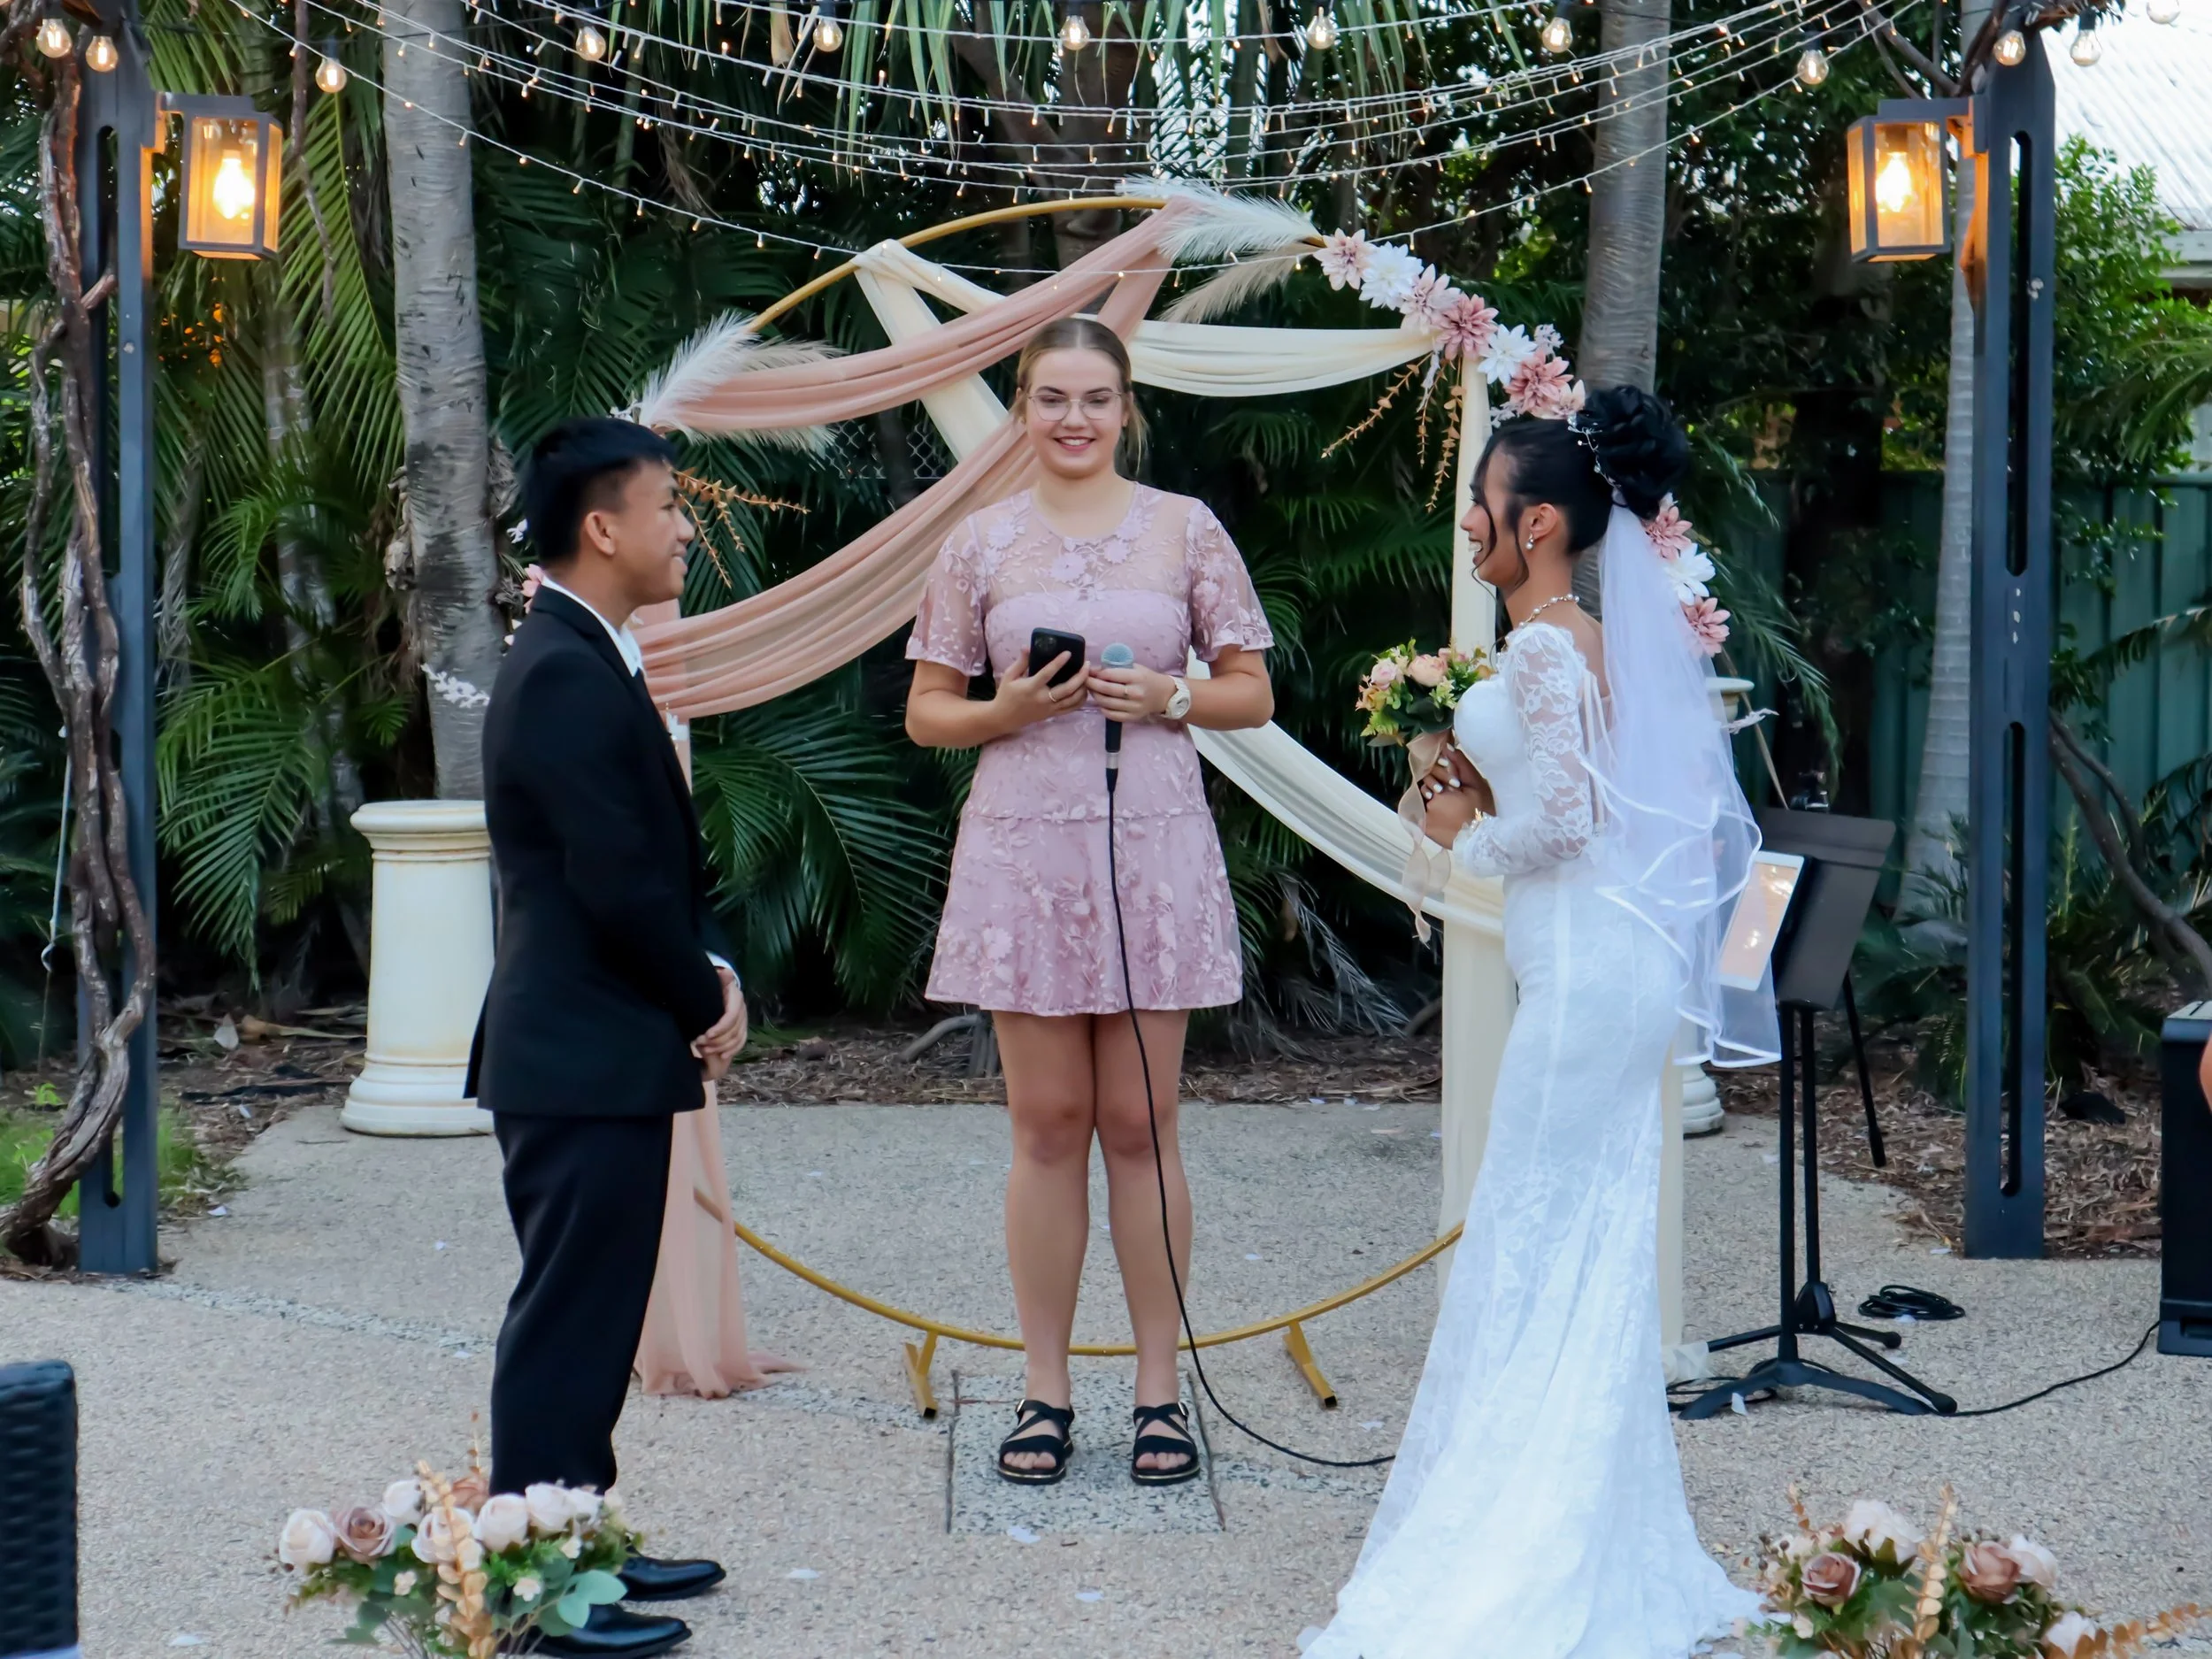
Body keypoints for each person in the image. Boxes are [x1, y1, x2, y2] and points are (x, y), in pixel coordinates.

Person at [1302, 387, 1772, 1657]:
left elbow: (1565, 825)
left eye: (1485, 504)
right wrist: (1475, 785)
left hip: (1585, 975)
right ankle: (1568, 1519)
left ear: (1541, 522)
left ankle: (1520, 1546)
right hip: (1601, 970)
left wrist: (1466, 834)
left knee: (1531, 1234)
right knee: (1575, 1244)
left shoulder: (1550, 648)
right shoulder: (1577, 639)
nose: (1470, 523)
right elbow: (1591, 801)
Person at [903, 317, 1276, 1486]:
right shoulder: (979, 541)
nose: (1074, 419)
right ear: (1022, 409)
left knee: (1142, 1121)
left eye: (1096, 399)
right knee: (1049, 1122)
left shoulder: (1186, 527)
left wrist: (1170, 695)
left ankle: (1161, 1389)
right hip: (1025, 852)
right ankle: (1046, 1389)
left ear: (1127, 409)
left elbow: (1252, 690)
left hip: (1153, 844)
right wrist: (1005, 710)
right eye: (1052, 398)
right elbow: (926, 711)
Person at [468, 418, 749, 1659]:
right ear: (602, 526)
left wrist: (708, 974)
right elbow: (615, 882)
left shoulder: (588, 649)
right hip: (577, 1048)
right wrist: (703, 997)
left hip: (595, 1045)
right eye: (668, 505)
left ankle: (579, 1534)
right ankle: (538, 1592)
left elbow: (649, 869)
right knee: (568, 1321)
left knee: (593, 1313)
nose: (684, 525)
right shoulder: (564, 670)